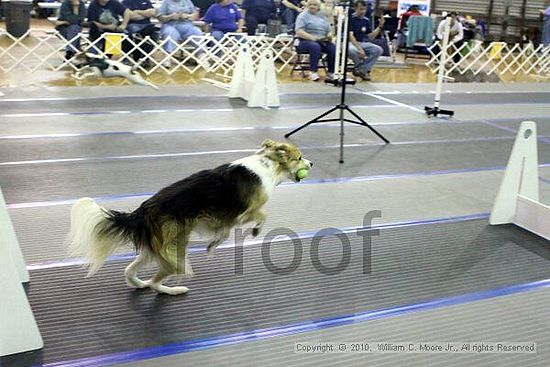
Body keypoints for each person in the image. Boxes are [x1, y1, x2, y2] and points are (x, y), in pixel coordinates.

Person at [294, 0, 335, 81]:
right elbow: (299, 31)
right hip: (304, 41)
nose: (312, 6)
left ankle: (331, 72)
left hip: (322, 40)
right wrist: (313, 38)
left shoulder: (323, 16)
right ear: (307, 6)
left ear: (318, 7)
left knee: (333, 48)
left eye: (315, 5)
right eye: (310, 4)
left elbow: (329, 30)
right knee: (315, 46)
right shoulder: (302, 16)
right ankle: (313, 72)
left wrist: (329, 35)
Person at [158, 0, 204, 67]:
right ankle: (167, 57)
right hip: (171, 25)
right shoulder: (166, 2)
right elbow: (160, 17)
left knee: (197, 31)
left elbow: (195, 15)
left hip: (187, 25)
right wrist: (170, 17)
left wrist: (187, 16)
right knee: (169, 33)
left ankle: (200, 55)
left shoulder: (188, 1)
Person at [347, 0, 384, 81]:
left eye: (364, 9)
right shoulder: (350, 19)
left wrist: (380, 27)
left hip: (362, 43)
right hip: (349, 43)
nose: (363, 11)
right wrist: (360, 49)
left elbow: (370, 37)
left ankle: (360, 70)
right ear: (355, 8)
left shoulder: (366, 20)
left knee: (378, 49)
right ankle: (362, 70)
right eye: (361, 9)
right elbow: (350, 36)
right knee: (352, 50)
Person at [122, 0, 158, 65]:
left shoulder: (146, 1)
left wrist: (137, 12)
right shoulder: (126, 2)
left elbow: (153, 12)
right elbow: (131, 16)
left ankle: (144, 57)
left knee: (154, 34)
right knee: (129, 33)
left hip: (147, 25)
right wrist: (146, 14)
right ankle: (127, 57)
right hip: (132, 25)